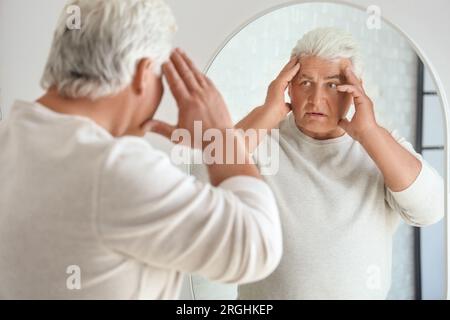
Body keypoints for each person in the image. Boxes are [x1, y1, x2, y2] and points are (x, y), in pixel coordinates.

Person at [0, 0, 283, 299]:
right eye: (159, 76)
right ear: (142, 73)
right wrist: (220, 137)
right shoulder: (110, 169)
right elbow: (259, 246)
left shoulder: (10, 135)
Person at [236, 27, 444, 299]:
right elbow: (203, 188)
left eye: (333, 85)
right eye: (305, 83)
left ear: (355, 89)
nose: (316, 99)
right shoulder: (259, 138)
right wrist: (265, 113)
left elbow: (430, 210)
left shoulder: (378, 145)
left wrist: (369, 133)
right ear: (287, 87)